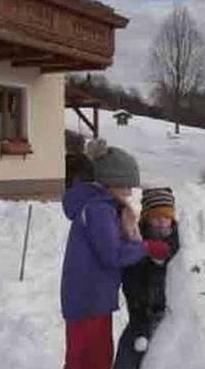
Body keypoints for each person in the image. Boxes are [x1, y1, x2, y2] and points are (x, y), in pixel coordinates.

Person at [61, 140, 171, 369]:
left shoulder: (98, 205)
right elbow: (112, 254)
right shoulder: (100, 209)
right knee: (94, 360)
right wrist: (147, 248)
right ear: (111, 182)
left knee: (83, 358)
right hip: (89, 300)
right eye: (126, 186)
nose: (130, 192)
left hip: (87, 297)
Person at [114, 188, 181, 369]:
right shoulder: (136, 244)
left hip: (172, 318)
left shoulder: (180, 246)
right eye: (156, 217)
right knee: (128, 357)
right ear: (146, 219)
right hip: (141, 318)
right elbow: (130, 280)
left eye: (166, 217)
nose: (161, 223)